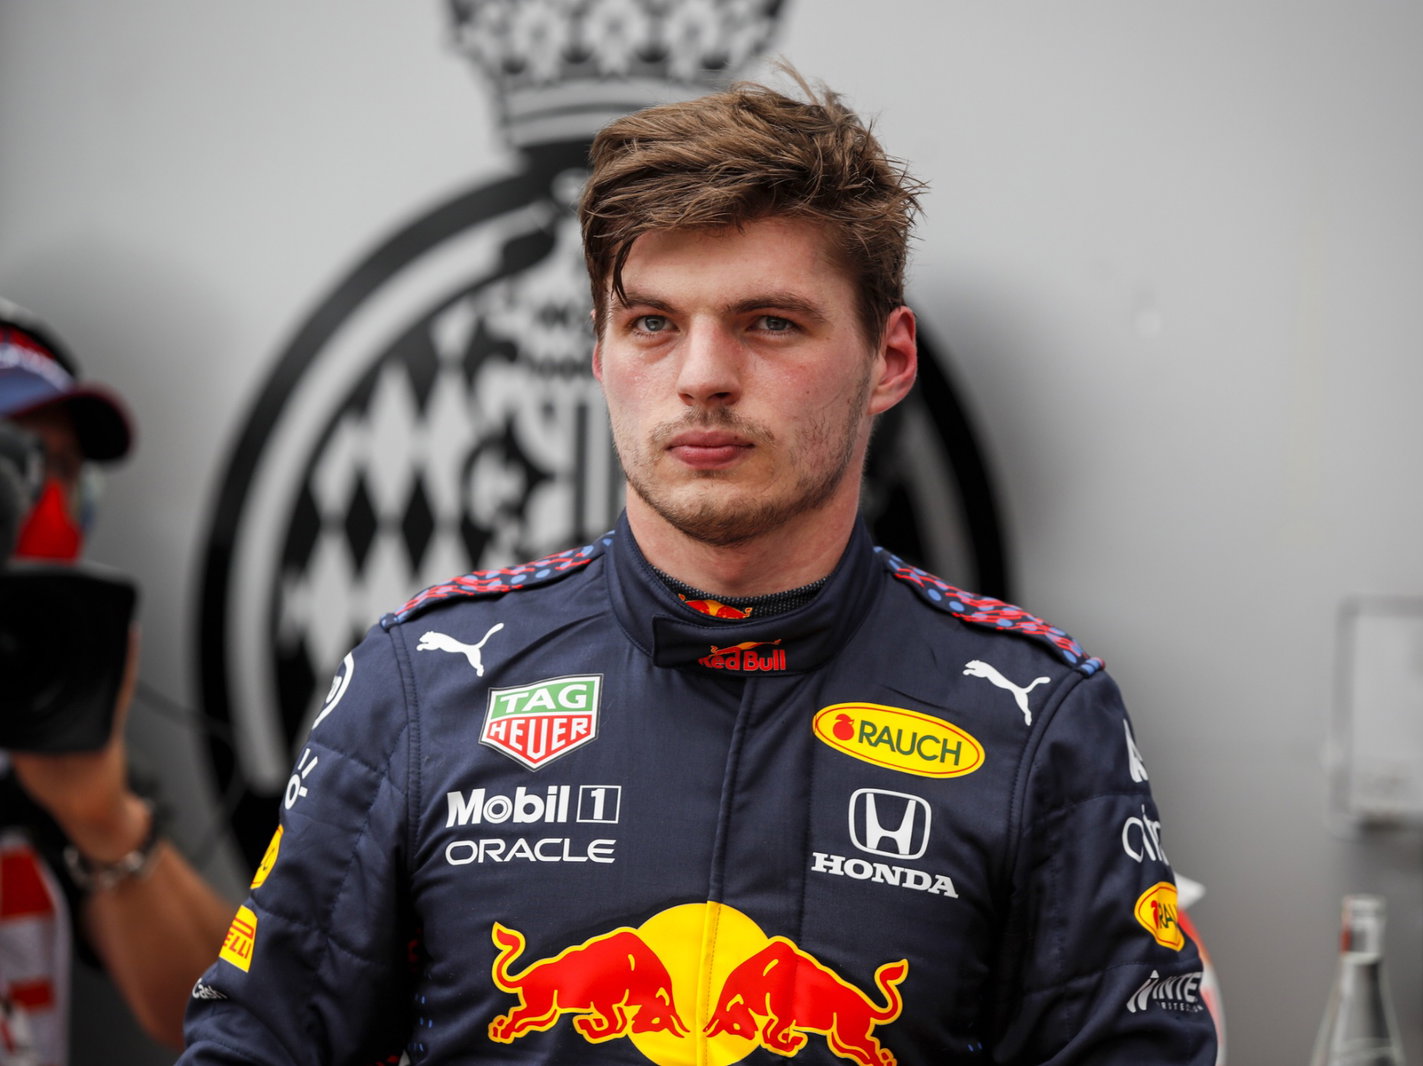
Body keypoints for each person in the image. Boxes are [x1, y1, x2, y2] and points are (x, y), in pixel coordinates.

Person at [178, 70, 1217, 1065]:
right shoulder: (425, 681)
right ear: (599, 352)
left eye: (770, 323)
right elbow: (253, 1043)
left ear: (888, 359)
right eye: (651, 324)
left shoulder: (1036, 718)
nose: (703, 377)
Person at [0, 300, 233, 1061]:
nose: (43, 502)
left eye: (63, 469)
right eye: (14, 461)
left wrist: (103, 821)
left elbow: (229, 1012)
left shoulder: (44, 703)